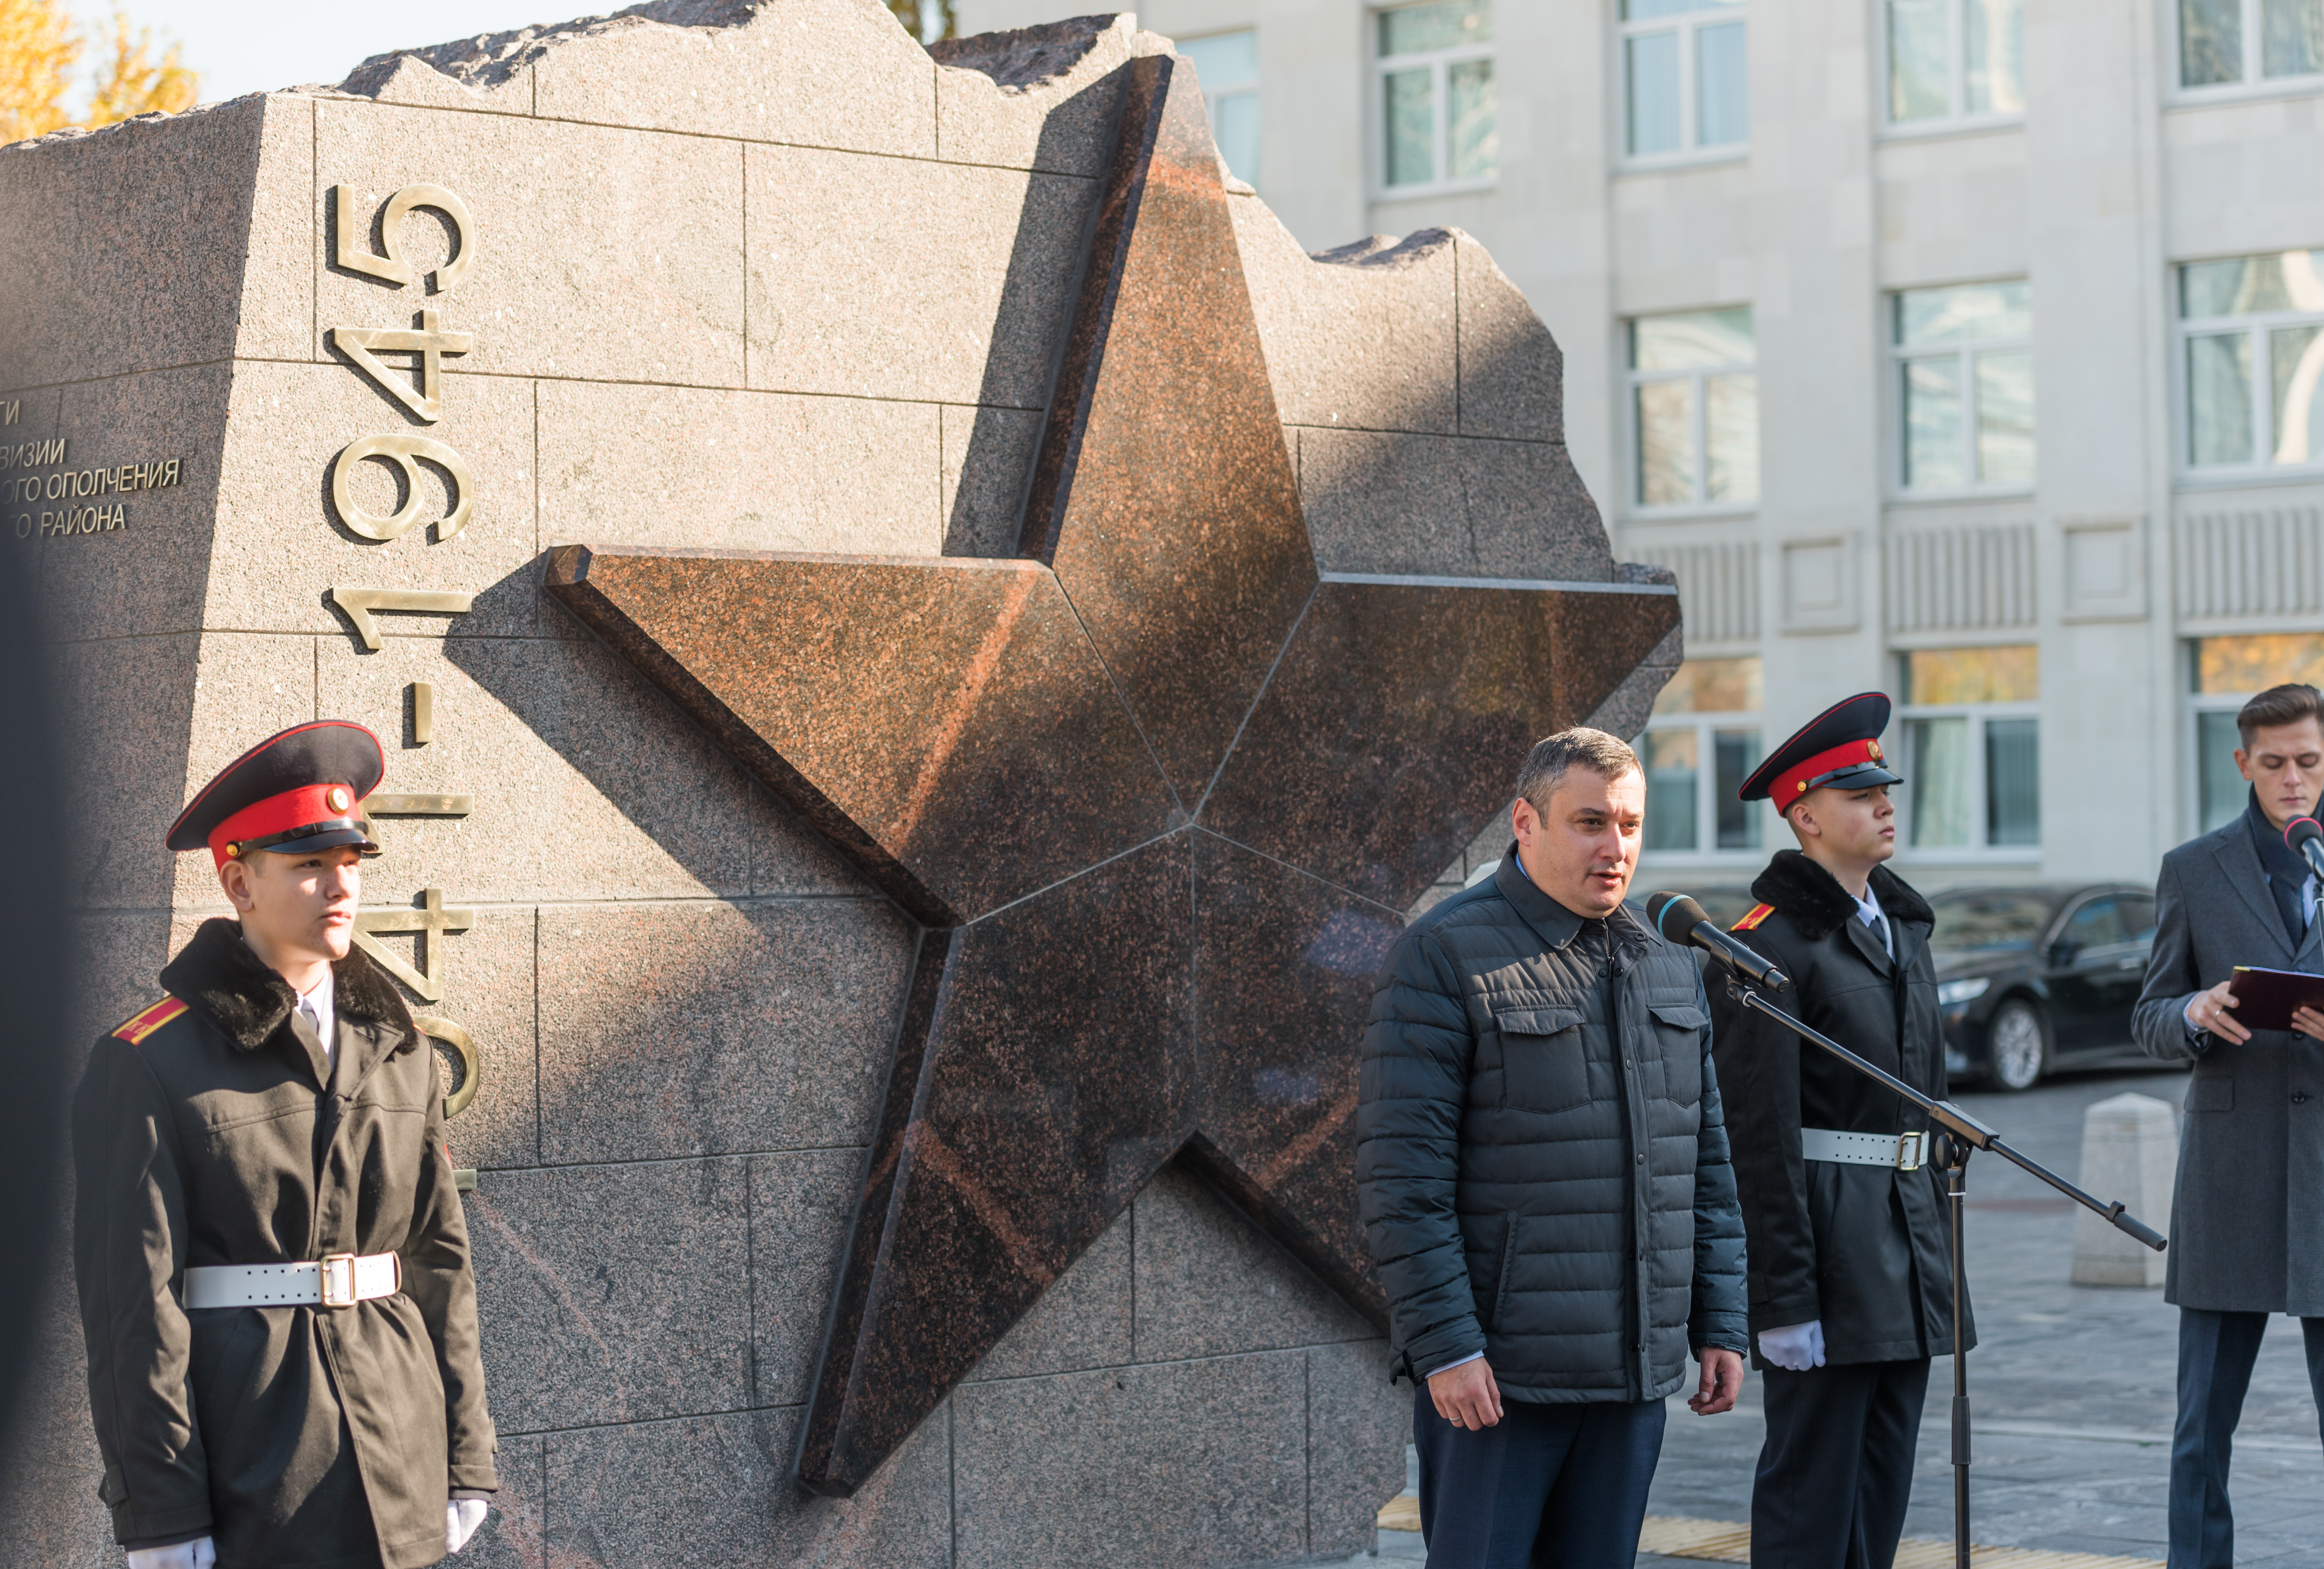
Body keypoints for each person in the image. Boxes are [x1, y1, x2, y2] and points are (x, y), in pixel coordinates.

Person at [73, 722, 497, 1569]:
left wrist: (467, 1457)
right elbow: (133, 1309)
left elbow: (440, 1263)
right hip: (255, 1469)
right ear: (239, 882)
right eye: (308, 865)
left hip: (398, 1454)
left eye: (350, 863)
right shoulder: (149, 1062)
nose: (339, 886)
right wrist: (161, 1513)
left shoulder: (400, 1047)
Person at [1355, 727, 1749, 1568]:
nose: (1616, 849)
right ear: (1526, 822)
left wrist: (1722, 1320)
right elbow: (1402, 1181)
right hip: (1499, 1381)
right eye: (1590, 822)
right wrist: (1448, 1347)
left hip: (1631, 1371)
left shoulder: (1669, 965)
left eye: (1632, 826)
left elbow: (1705, 1167)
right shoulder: (1444, 954)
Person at [1706, 692, 1969, 1569]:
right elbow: (1758, 1134)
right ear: (1806, 817)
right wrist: (1780, 1300)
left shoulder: (1903, 930)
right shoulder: (1768, 947)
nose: (1886, 804)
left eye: (1886, 789)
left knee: (1885, 1482)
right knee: (1813, 1492)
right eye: (1862, 796)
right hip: (1828, 1239)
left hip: (1910, 1234)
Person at [2132, 681, 2324, 1569]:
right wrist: (2192, 1012)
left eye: (2310, 762)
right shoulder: (2192, 867)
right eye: (2275, 763)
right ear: (2243, 762)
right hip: (2228, 1181)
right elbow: (2148, 1012)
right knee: (2200, 1430)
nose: (2294, 780)